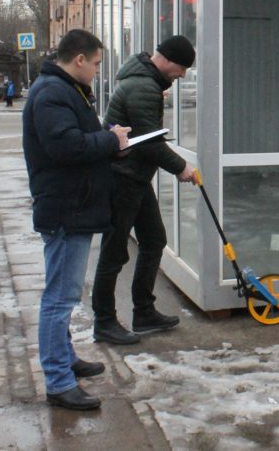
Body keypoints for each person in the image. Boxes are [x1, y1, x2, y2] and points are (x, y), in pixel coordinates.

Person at [22, 29, 131, 411]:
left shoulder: (65, 89)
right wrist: (111, 140)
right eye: (97, 63)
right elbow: (65, 146)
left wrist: (110, 142)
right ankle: (58, 381)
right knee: (59, 298)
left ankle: (65, 360)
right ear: (80, 59)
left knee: (63, 295)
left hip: (73, 205)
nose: (99, 71)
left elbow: (80, 138)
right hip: (67, 209)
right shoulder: (53, 92)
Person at [91, 35, 197, 345]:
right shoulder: (144, 87)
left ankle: (144, 312)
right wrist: (182, 168)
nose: (181, 76)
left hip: (134, 177)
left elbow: (145, 136)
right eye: (181, 69)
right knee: (114, 252)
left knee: (154, 240)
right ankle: (104, 322)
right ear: (167, 61)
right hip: (122, 178)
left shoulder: (146, 82)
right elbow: (150, 143)